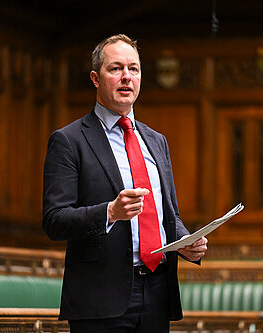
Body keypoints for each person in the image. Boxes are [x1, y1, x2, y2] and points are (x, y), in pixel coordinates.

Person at [42, 34, 208, 332]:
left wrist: (185, 242)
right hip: (100, 297)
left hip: (158, 290)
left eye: (134, 69)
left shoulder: (156, 141)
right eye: (115, 68)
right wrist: (109, 212)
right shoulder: (69, 141)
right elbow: (54, 220)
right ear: (96, 77)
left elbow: (167, 213)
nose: (126, 77)